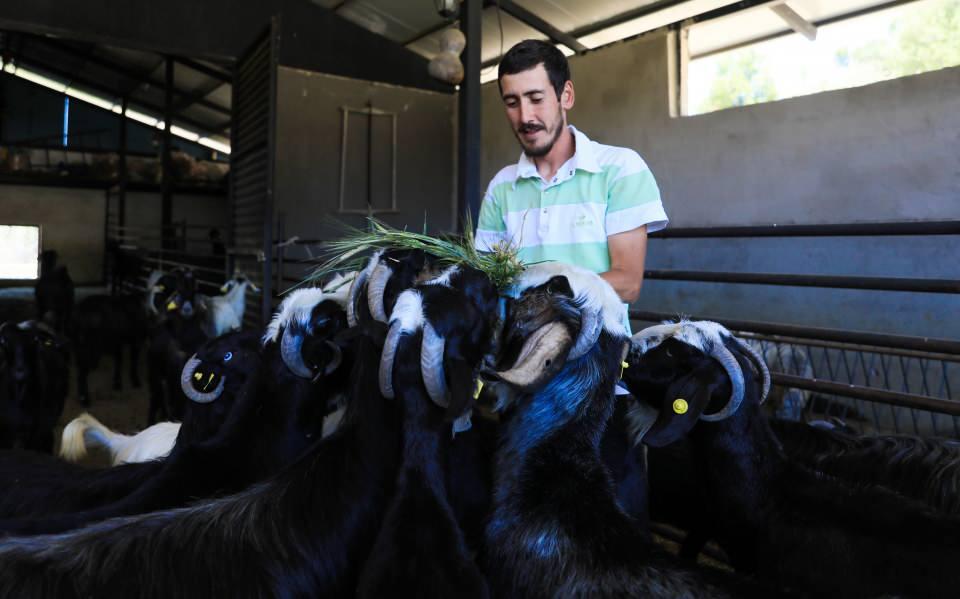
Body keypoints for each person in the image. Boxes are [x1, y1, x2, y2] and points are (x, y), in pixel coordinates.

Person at [475, 39, 668, 307]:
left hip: (598, 345)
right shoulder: (501, 187)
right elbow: (485, 280)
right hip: (517, 346)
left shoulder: (620, 169)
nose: (524, 116)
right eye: (512, 102)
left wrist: (538, 294)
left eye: (536, 98)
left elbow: (627, 284)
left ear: (566, 96)